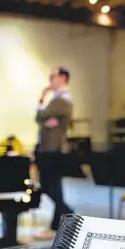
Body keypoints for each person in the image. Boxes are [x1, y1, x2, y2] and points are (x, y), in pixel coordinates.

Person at [34, 66, 74, 239]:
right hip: (47, 148)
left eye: (53, 77)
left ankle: (63, 219)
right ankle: (64, 217)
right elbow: (40, 118)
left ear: (63, 78)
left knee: (53, 187)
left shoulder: (63, 100)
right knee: (47, 186)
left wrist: (42, 99)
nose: (50, 80)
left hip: (53, 149)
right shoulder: (56, 99)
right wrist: (44, 120)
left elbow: (41, 115)